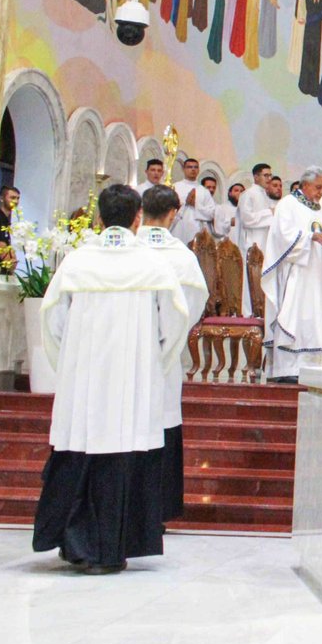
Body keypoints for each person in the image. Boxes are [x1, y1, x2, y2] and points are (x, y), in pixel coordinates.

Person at [33, 185, 192, 574]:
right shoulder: (153, 266)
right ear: (137, 218)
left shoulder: (77, 262)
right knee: (123, 455)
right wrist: (153, 362)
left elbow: (52, 321)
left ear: (99, 218)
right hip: (132, 383)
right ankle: (112, 548)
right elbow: (174, 324)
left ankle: (75, 544)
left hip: (83, 383)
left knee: (79, 451)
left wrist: (71, 363)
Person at [138, 185, 210, 524]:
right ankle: (157, 512)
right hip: (164, 356)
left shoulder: (128, 252)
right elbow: (191, 309)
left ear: (141, 211)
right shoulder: (182, 258)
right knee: (162, 420)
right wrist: (170, 339)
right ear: (173, 214)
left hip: (122, 360)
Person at [260, 167, 322, 383]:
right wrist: (310, 237)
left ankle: (314, 367)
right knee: (296, 318)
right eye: (318, 187)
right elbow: (282, 235)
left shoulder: (320, 209)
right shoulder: (288, 204)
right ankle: (289, 368)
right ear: (305, 185)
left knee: (317, 317)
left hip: (318, 274)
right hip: (296, 273)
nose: (321, 192)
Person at [0, 186, 19, 253]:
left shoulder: (5, 219)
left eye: (18, 198)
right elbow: (1, 245)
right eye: (12, 198)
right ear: (1, 199)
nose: (16, 201)